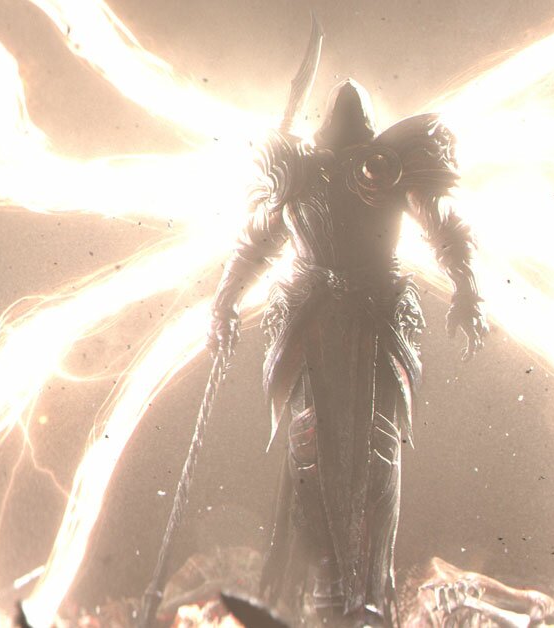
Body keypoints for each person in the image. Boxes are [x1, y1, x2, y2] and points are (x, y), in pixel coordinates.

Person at [208, 79, 487, 626]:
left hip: (375, 326)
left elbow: (445, 229)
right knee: (309, 455)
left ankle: (366, 601)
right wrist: (223, 306)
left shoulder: (389, 167)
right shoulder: (297, 174)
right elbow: (255, 243)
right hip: (310, 329)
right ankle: (322, 601)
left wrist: (468, 292)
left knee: (375, 459)